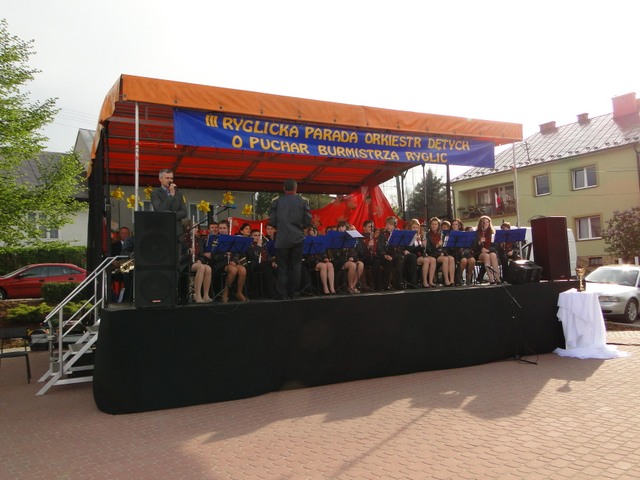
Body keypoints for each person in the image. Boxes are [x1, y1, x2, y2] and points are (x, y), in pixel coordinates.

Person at [268, 179, 312, 299]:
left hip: (282, 238)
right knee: (296, 266)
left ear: (284, 188)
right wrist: (299, 228)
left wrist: (280, 227)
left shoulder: (277, 201)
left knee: (283, 267)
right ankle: (295, 293)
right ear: (296, 188)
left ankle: (283, 294)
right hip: (297, 238)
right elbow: (308, 220)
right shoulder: (303, 201)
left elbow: (272, 220)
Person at [213, 219, 248, 302]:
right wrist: (224, 255)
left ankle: (239, 292)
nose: (222, 230)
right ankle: (225, 292)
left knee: (242, 270)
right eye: (220, 228)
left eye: (224, 228)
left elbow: (236, 253)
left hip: (231, 262)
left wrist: (234, 261)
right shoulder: (215, 240)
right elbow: (213, 257)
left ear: (228, 229)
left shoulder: (232, 239)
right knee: (233, 270)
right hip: (220, 264)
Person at [151, 168, 188, 237]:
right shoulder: (155, 193)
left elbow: (184, 212)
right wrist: (171, 195)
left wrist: (170, 216)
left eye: (171, 178)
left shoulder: (178, 193)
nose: (170, 180)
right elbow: (159, 210)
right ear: (160, 179)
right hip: (163, 232)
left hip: (177, 233)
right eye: (167, 178)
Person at [303, 225, 336, 295]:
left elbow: (323, 252)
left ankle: (332, 287)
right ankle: (325, 287)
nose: (313, 232)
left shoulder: (320, 240)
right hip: (311, 261)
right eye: (312, 230)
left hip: (320, 260)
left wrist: (325, 258)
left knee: (330, 265)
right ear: (309, 231)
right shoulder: (306, 240)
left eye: (315, 230)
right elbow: (305, 253)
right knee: (323, 266)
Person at [425, 217, 455, 287]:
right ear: (430, 225)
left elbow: (444, 246)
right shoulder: (427, 235)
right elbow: (428, 249)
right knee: (445, 259)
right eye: (432, 224)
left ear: (438, 225)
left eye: (436, 224)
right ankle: (446, 281)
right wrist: (437, 246)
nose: (434, 226)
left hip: (440, 254)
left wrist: (443, 252)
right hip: (432, 254)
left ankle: (452, 280)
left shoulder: (442, 234)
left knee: (451, 258)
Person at [377, 216, 404, 290]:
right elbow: (379, 247)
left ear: (395, 225)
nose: (388, 226)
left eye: (390, 224)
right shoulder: (382, 235)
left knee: (400, 259)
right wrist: (384, 255)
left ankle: (398, 283)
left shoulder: (399, 234)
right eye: (387, 224)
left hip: (395, 255)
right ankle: (386, 285)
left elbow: (401, 247)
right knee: (388, 262)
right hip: (385, 255)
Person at [188, 223, 213, 303]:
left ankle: (206, 295)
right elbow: (180, 254)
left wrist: (200, 260)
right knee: (201, 267)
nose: (196, 229)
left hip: (197, 262)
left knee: (208, 268)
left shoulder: (199, 240)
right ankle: (197, 294)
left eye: (197, 227)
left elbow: (202, 254)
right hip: (188, 263)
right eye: (194, 227)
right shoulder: (185, 239)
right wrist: (189, 252)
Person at [474, 215, 502, 284]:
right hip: (479, 253)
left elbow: (496, 246)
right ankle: (491, 279)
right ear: (481, 224)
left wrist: (488, 250)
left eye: (487, 222)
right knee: (486, 256)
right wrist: (479, 242)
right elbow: (473, 246)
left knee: (493, 255)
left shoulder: (492, 233)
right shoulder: (476, 233)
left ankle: (497, 277)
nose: (486, 224)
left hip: (489, 251)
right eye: (484, 222)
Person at [359, 220, 383, 292]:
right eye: (369, 227)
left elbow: (379, 249)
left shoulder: (374, 237)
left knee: (387, 261)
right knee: (376, 262)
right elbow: (360, 253)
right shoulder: (360, 238)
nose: (372, 228)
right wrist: (368, 247)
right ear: (364, 228)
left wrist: (384, 254)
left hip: (375, 257)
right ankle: (378, 287)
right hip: (364, 258)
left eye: (372, 227)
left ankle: (386, 285)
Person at [451, 218, 475, 286]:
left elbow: (469, 245)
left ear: (459, 226)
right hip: (456, 253)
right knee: (464, 261)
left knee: (472, 260)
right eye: (453, 224)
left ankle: (469, 276)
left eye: (456, 224)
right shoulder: (450, 234)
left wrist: (464, 249)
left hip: (465, 252)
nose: (454, 226)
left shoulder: (464, 234)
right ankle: (459, 276)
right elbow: (450, 247)